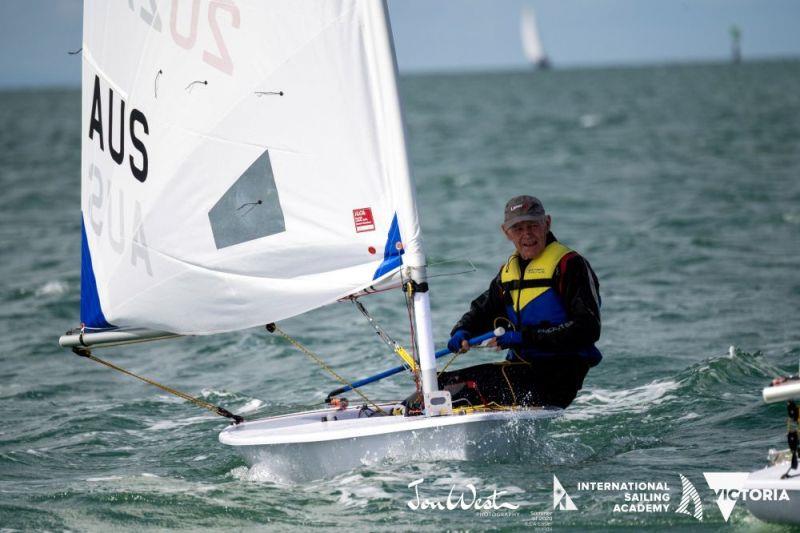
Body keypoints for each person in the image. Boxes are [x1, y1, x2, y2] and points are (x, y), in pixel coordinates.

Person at [438, 195, 602, 409]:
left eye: (533, 225)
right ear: (506, 232)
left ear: (547, 223)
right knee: (443, 386)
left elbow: (588, 328)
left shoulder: (570, 265)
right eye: (518, 228)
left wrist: (524, 338)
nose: (527, 235)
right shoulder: (508, 274)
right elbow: (483, 311)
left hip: (561, 373)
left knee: (466, 389)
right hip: (523, 368)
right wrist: (462, 330)